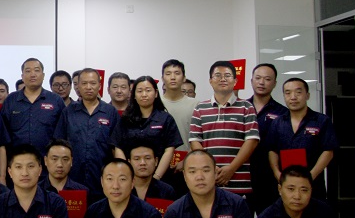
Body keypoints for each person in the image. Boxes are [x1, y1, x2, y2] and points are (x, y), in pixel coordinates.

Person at [189, 61, 259, 197]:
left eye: (227, 75)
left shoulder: (246, 107)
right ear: (210, 81)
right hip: (209, 181)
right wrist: (212, 168)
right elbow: (194, 141)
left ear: (235, 81)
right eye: (218, 75)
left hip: (239, 183)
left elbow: (252, 142)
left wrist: (231, 169)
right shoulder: (200, 108)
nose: (222, 79)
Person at [54, 68, 119, 201]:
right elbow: (58, 143)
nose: (88, 87)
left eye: (93, 83)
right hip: (72, 178)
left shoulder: (110, 112)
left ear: (99, 86)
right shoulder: (68, 112)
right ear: (78, 86)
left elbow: (117, 147)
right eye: (84, 83)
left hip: (102, 178)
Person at [267, 78, 337, 201]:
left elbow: (328, 151)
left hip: (313, 184)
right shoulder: (277, 123)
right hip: (286, 185)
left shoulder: (321, 121)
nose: (293, 97)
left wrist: (310, 177)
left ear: (307, 95)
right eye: (288, 93)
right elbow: (272, 150)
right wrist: (278, 174)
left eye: (298, 92)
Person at [111, 75, 183, 185]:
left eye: (148, 90)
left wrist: (156, 177)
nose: (144, 94)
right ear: (134, 95)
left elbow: (169, 150)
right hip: (130, 181)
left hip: (161, 177)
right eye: (140, 91)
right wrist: (127, 174)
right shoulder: (125, 119)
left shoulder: (165, 119)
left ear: (156, 93)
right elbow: (118, 147)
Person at [0, 58, 66, 157]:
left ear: (43, 75)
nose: (33, 74)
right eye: (28, 71)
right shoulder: (11, 100)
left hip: (47, 160)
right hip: (17, 160)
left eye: (36, 70)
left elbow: (62, 133)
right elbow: (3, 133)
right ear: (22, 76)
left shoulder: (55, 100)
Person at [247, 63, 288, 215]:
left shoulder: (283, 113)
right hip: (243, 176)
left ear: (275, 83)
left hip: (269, 177)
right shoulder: (240, 109)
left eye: (267, 79)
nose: (262, 82)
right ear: (251, 81)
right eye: (258, 78)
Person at [160, 59, 198, 196]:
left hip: (189, 164)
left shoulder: (196, 104)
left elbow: (200, 137)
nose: (172, 77)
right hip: (159, 166)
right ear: (162, 78)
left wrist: (186, 160)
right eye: (168, 73)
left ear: (184, 77)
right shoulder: (156, 103)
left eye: (177, 73)